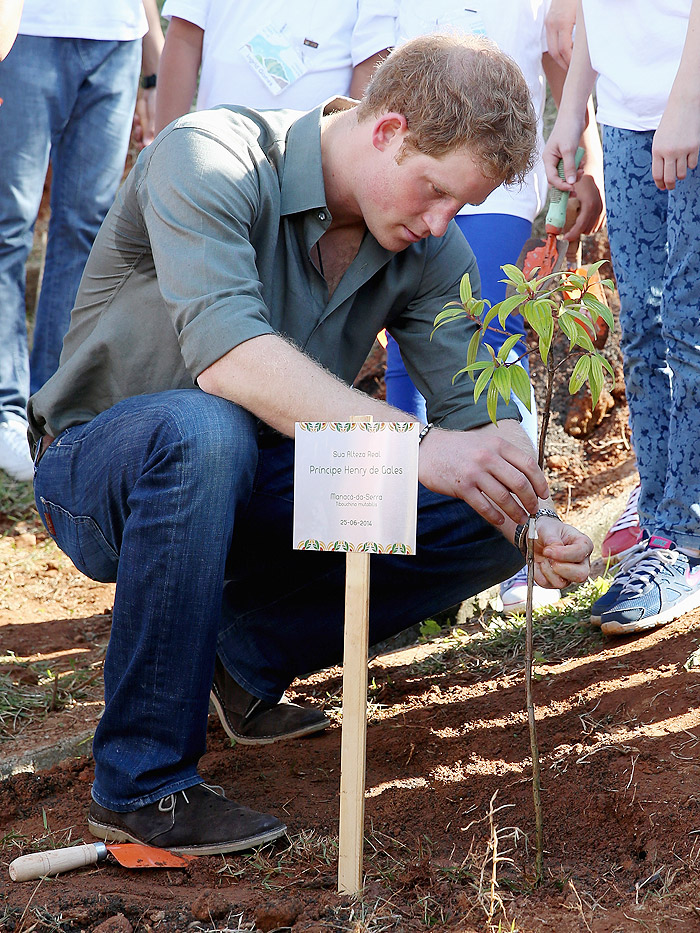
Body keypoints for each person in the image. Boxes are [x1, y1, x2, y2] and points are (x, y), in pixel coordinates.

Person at [29, 35, 592, 854]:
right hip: (102, 473)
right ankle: (142, 787)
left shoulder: (423, 241)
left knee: (481, 512)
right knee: (205, 426)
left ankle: (237, 656)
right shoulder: (209, 156)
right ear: (386, 128)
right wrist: (423, 447)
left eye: (458, 208)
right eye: (434, 190)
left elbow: (479, 418)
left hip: (249, 477)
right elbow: (231, 362)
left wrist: (530, 513)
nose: (441, 224)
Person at [387, 0, 606, 614]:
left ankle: (523, 536)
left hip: (498, 190)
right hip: (409, 179)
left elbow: (561, 61)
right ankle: (401, 556)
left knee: (488, 336)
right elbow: (371, 71)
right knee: (410, 347)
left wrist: (584, 154)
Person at [544, 0, 700, 636]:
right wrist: (573, 107)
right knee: (642, 329)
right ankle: (661, 522)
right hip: (625, 116)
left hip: (687, 103)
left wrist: (686, 101)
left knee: (690, 325)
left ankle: (686, 545)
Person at [0, 0, 163, 483]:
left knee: (86, 229)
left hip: (117, 39)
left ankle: (47, 406)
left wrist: (152, 67)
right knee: (9, 224)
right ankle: (6, 405)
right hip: (27, 34)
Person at [154, 0, 395, 135]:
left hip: (310, 166)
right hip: (215, 143)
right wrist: (163, 148)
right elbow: (184, 37)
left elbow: (370, 65)